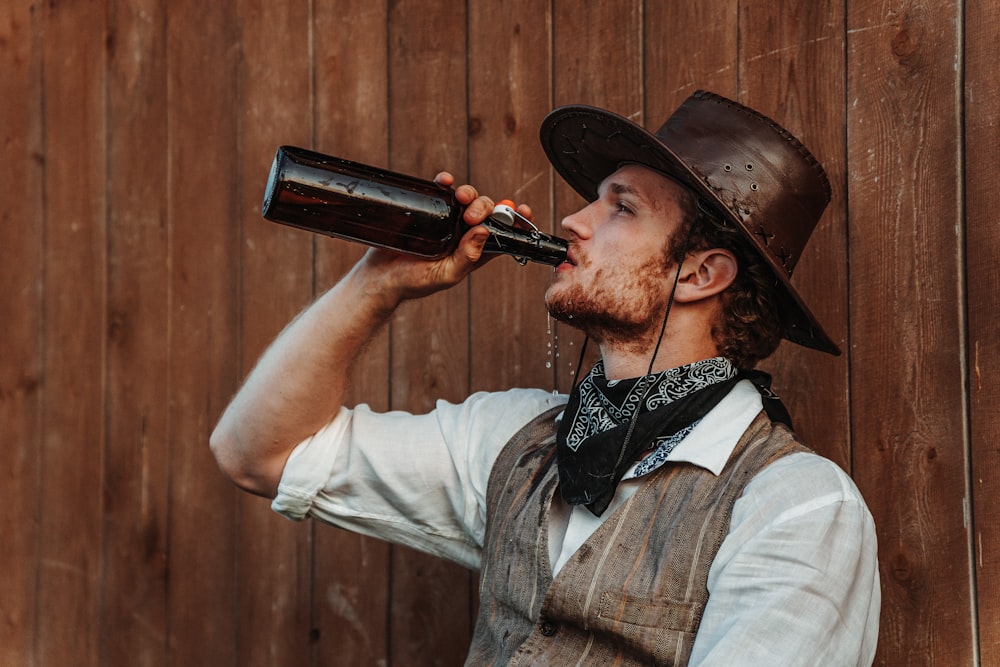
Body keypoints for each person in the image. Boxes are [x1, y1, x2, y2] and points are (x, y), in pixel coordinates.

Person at [211, 90, 880, 665]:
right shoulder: (516, 439)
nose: (573, 221)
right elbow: (258, 451)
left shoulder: (797, 505)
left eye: (621, 208)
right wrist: (377, 284)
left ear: (702, 274)